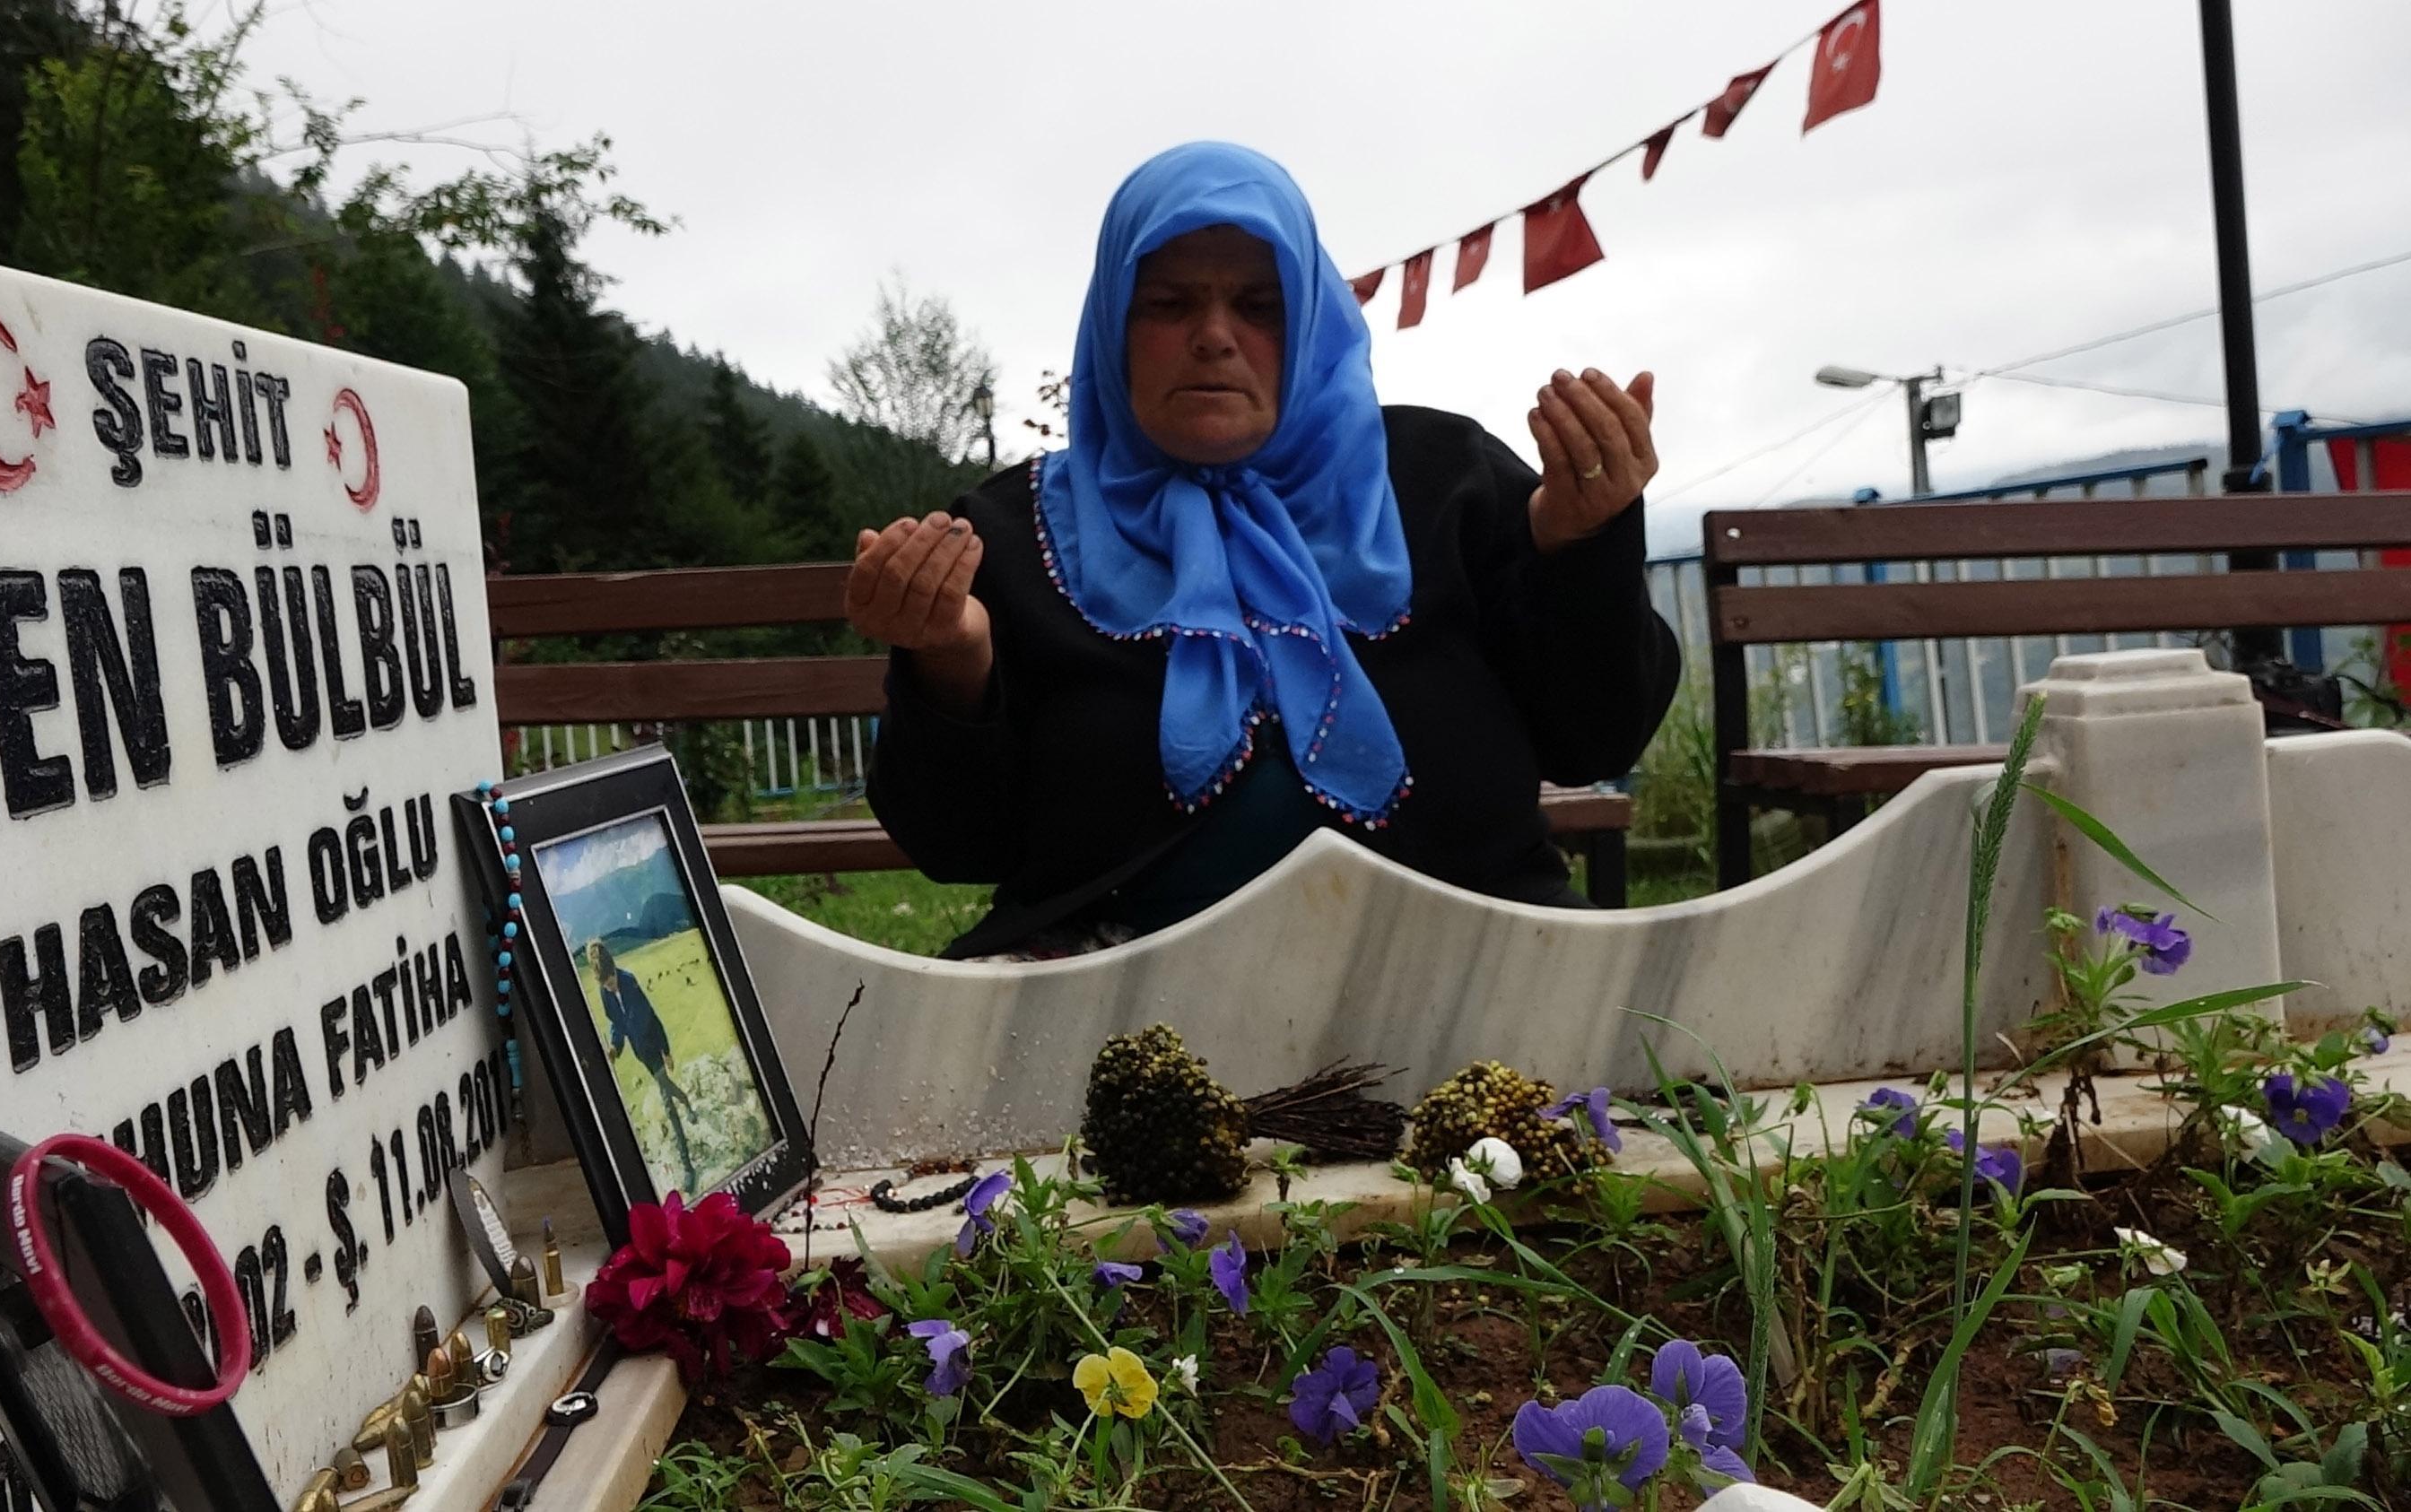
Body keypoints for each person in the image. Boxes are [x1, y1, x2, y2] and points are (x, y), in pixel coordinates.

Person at [852, 142, 1680, 960]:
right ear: (1113, 323)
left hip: (1465, 960)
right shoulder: (1007, 535)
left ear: (1313, 318)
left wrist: (1580, 544)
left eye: (1260, 306)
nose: (1214, 336)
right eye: (1170, 304)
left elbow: (1594, 740)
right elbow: (958, 848)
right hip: (1109, 996)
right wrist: (951, 666)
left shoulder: (1449, 483)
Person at [587, 938, 697, 1181]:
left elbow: (652, 1018)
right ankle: (687, 1102)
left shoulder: (630, 982)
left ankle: (687, 1166)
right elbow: (617, 1023)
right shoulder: (605, 993)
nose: (610, 987)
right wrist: (615, 1048)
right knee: (665, 1086)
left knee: (667, 1103)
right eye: (605, 984)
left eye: (611, 981)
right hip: (640, 1054)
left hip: (653, 1048)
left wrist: (666, 1051)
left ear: (614, 970)